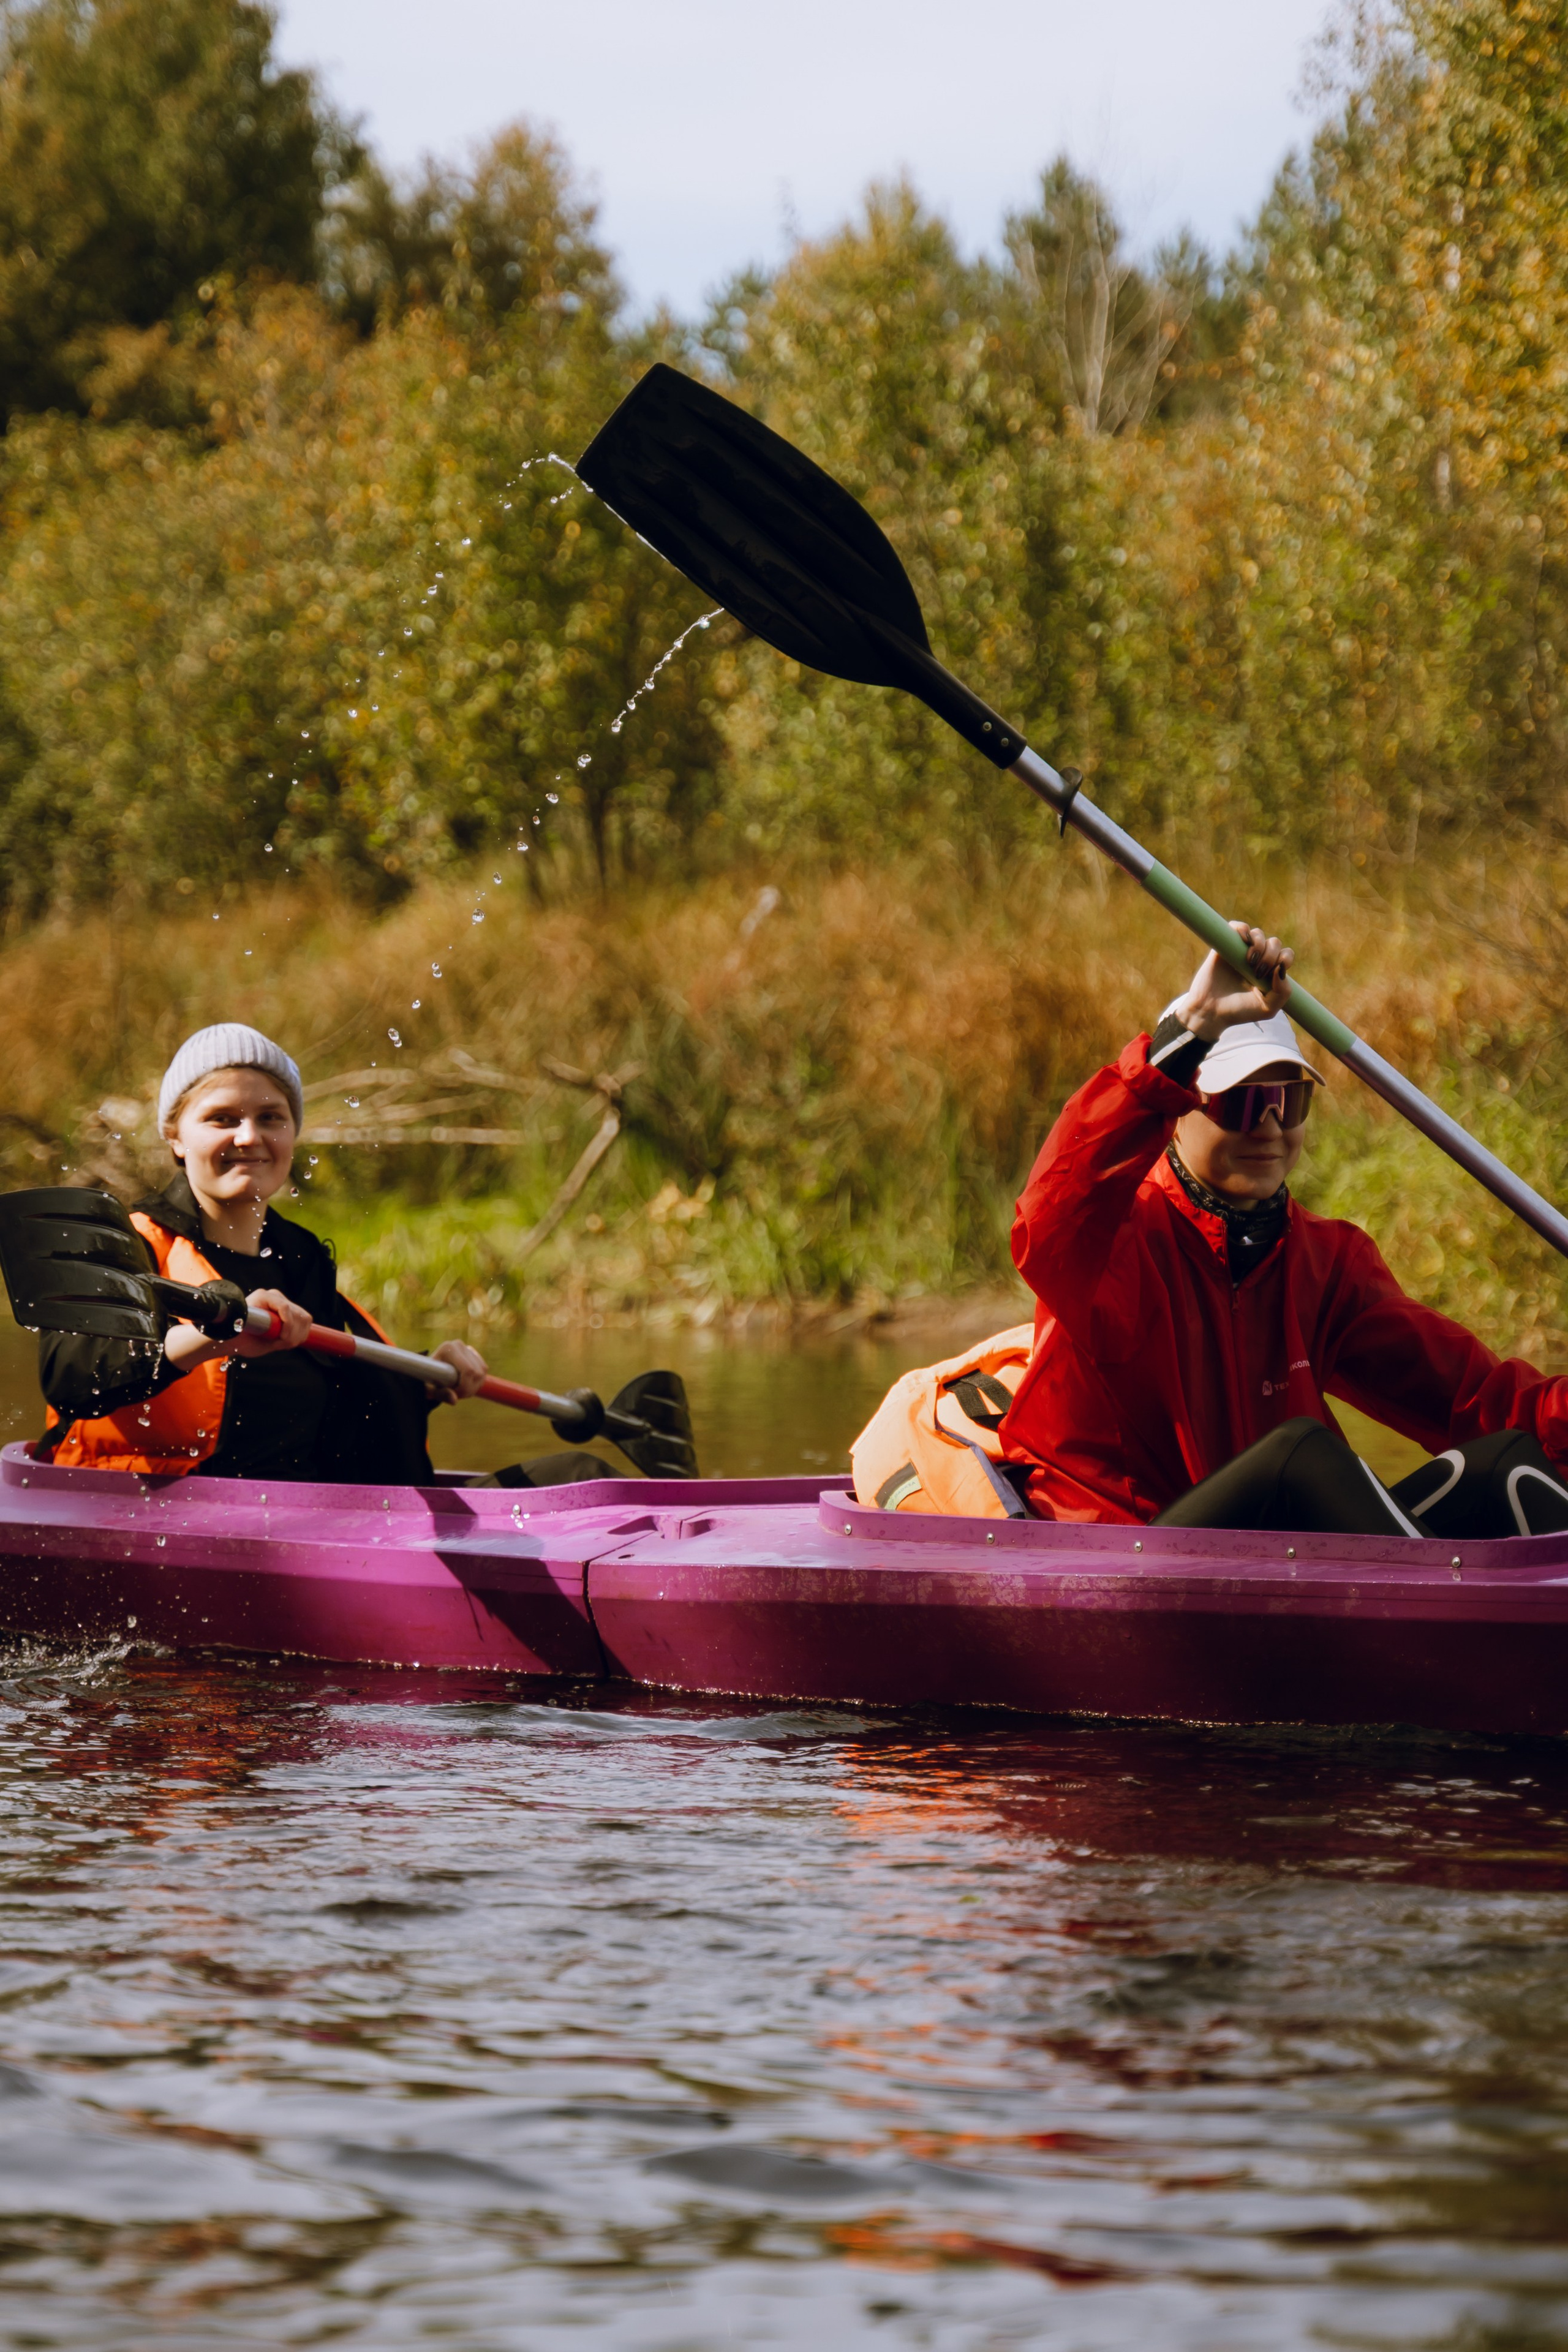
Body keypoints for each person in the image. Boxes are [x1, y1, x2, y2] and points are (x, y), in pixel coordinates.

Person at [995, 923, 1568, 1541]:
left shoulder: (1327, 1260)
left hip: (1264, 1562)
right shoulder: (1113, 1237)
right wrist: (1194, 1025)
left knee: (1506, 1460)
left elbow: (1475, 1399)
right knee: (1298, 1454)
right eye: (1241, 1103)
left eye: (1286, 1100)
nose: (1268, 1127)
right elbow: (1049, 1218)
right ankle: (1419, 1625)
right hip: (1127, 1553)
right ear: (1177, 1111)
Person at [37, 1024, 624, 1488]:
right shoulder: (128, 1247)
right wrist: (217, 1332)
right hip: (173, 1515)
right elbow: (72, 1376)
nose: (250, 1136)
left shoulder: (301, 1261)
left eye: (271, 1117)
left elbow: (340, 1409)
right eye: (222, 1118)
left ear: (293, 1134)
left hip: (315, 1512)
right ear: (175, 1136)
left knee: (579, 1478)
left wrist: (423, 1378)